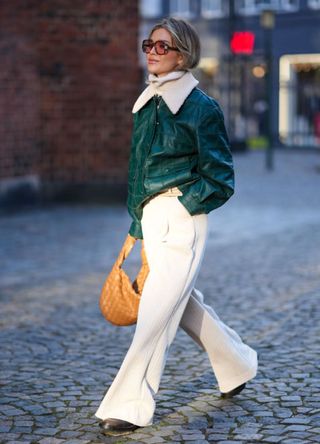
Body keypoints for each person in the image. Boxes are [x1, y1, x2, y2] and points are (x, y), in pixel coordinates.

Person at [96, 17, 258, 435]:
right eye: (149, 43)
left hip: (181, 219)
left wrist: (183, 206)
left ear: (183, 54)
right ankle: (237, 363)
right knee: (178, 302)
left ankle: (129, 405)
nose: (151, 50)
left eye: (162, 46)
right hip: (151, 219)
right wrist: (137, 222)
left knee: (156, 314)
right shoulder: (147, 101)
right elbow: (138, 171)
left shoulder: (201, 107)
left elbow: (220, 178)